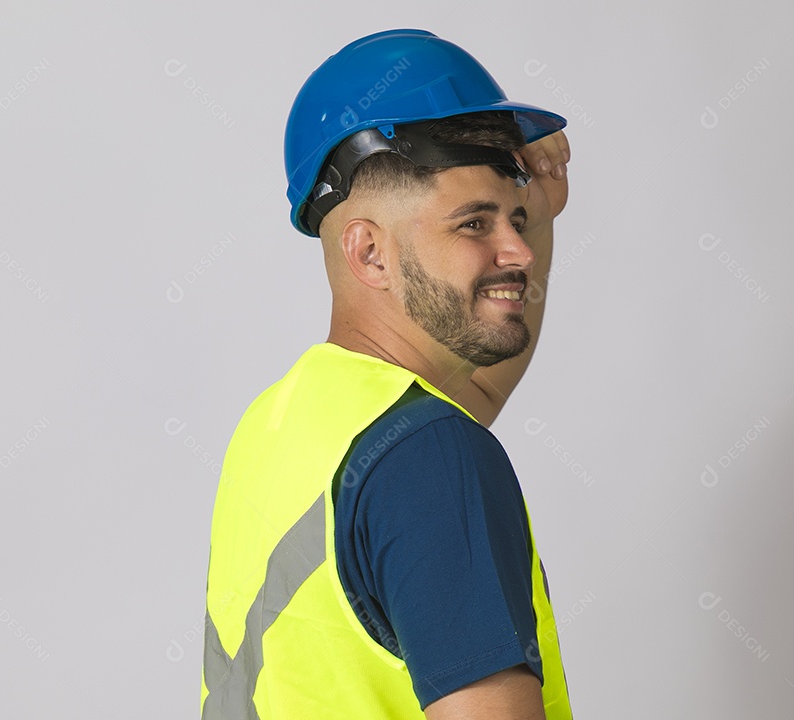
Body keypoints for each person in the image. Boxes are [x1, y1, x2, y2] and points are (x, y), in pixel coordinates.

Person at [200, 29, 573, 720]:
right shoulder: (429, 458)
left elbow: (472, 390)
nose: (517, 247)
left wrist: (539, 214)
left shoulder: (285, 423)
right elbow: (436, 449)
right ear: (369, 253)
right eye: (475, 223)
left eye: (517, 216)